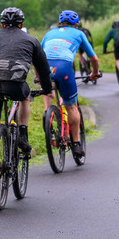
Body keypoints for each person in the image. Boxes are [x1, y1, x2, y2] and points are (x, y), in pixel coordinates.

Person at [0, 7, 54, 191]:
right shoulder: (31, 40)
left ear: (2, 24)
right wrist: (46, 89)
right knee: (25, 97)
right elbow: (43, 70)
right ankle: (22, 133)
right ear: (21, 24)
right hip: (15, 84)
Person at [41, 10, 100, 159]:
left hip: (45, 70)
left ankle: (47, 114)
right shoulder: (79, 33)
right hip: (64, 69)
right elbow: (94, 58)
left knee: (49, 91)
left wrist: (38, 76)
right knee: (72, 106)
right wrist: (94, 73)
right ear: (76, 24)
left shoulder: (49, 34)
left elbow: (38, 56)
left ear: (60, 22)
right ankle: (76, 144)